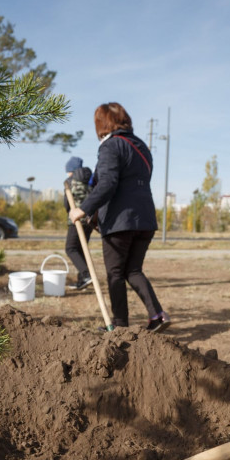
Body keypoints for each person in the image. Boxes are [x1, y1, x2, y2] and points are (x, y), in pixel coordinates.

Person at [69, 103, 170, 331]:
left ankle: (120, 326)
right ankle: (157, 315)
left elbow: (108, 183)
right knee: (133, 270)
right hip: (145, 219)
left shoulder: (110, 146)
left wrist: (82, 209)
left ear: (101, 124)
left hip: (119, 222)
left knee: (115, 273)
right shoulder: (142, 147)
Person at [62, 156, 94, 290]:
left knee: (70, 248)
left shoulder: (69, 181)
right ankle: (83, 280)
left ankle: (87, 275)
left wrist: (70, 212)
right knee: (82, 249)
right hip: (89, 219)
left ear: (71, 170)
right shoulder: (90, 180)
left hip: (76, 220)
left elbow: (66, 203)